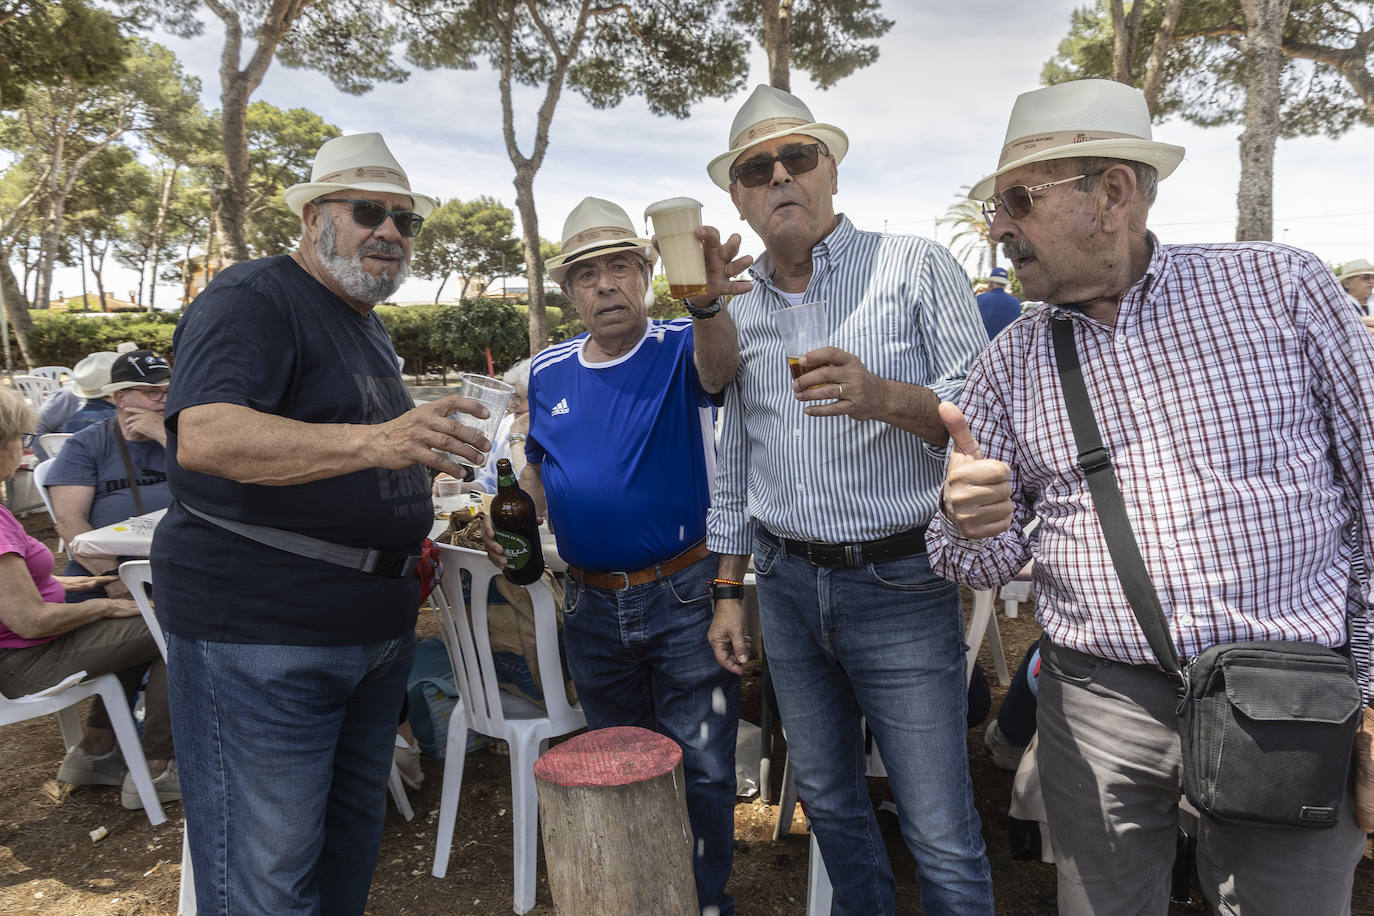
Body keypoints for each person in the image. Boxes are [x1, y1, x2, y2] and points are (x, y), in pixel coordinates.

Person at [929, 78, 1374, 915]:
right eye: (996, 208)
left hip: (1287, 700)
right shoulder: (1011, 360)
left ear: (1112, 193)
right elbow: (968, 560)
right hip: (1096, 707)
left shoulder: (1281, 290)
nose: (998, 229)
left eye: (1019, 201)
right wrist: (968, 524)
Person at [152, 132, 491, 914]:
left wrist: (420, 465)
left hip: (368, 637)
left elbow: (346, 451)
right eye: (368, 211)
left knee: (343, 859)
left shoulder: (362, 322)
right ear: (312, 218)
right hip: (266, 637)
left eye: (406, 220)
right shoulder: (253, 297)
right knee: (267, 879)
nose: (391, 231)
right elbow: (205, 435)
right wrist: (382, 442)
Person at [702, 84, 994, 915]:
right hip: (788, 586)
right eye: (757, 168)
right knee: (827, 803)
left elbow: (983, 412)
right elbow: (735, 455)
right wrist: (728, 589)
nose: (779, 175)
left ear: (831, 169)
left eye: (798, 156)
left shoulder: (914, 265)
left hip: (898, 582)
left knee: (939, 828)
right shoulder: (736, 305)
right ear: (739, 198)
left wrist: (884, 397)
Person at [483, 196, 750, 914]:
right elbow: (538, 467)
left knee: (703, 766)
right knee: (618, 762)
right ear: (570, 293)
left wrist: (707, 306)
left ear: (646, 274)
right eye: (587, 274)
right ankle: (644, 899)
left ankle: (703, 902)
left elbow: (721, 371)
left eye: (621, 268)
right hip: (591, 603)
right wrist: (518, 508)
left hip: (685, 592)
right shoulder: (546, 373)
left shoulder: (681, 343)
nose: (605, 285)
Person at [0, 388, 177, 810]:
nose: (24, 449)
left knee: (143, 622)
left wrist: (60, 584)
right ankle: (158, 766)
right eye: (21, 439)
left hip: (21, 651)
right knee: (174, 625)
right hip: (24, 661)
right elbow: (30, 621)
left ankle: (97, 748)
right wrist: (105, 604)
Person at [46, 348, 173, 600]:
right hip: (110, 562)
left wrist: (164, 437)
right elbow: (69, 521)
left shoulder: (184, 436)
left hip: (183, 555)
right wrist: (114, 577)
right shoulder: (86, 444)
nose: (164, 399)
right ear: (120, 397)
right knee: (76, 608)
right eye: (152, 392)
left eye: (170, 390)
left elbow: (217, 492)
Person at [471, 356, 532, 494]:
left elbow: (529, 491)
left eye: (519, 398)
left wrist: (517, 436)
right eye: (512, 397)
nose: (511, 404)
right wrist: (459, 486)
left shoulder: (558, 437)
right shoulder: (506, 426)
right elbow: (490, 484)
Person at [975, 266, 1021, 340]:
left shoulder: (979, 299)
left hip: (985, 344)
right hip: (1007, 344)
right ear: (1005, 284)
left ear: (991, 283)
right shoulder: (1016, 302)